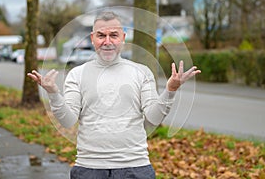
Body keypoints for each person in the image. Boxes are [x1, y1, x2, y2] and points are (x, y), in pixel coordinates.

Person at [27, 11, 201, 179]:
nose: (107, 41)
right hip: (89, 168)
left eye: (114, 35)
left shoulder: (142, 72)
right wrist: (53, 93)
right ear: (92, 39)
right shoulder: (76, 74)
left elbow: (153, 118)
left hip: (135, 168)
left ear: (123, 38)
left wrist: (170, 90)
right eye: (101, 35)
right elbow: (68, 121)